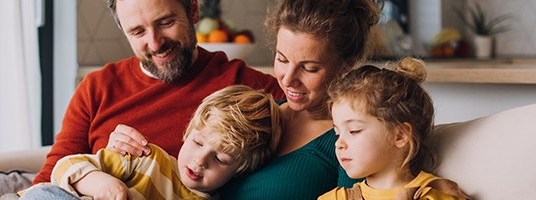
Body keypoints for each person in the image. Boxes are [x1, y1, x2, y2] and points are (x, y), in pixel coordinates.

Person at [108, 0, 382, 199]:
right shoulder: (253, 115)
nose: (287, 79)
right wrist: (118, 160)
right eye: (281, 59)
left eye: (309, 68)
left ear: (348, 63)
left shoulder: (350, 142)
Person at [31, 0, 284, 186]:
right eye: (138, 32)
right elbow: (48, 181)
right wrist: (103, 161)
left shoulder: (250, 90)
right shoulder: (97, 88)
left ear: (193, 10)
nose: (155, 43)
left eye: (165, 23)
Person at [20, 85, 282, 199]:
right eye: (198, 143)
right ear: (187, 133)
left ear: (240, 171)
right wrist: (103, 183)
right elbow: (64, 168)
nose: (199, 161)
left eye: (220, 159)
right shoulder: (146, 159)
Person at [319, 58, 469, 200]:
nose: (339, 144)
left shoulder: (434, 195)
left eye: (354, 131)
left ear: (400, 136)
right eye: (337, 134)